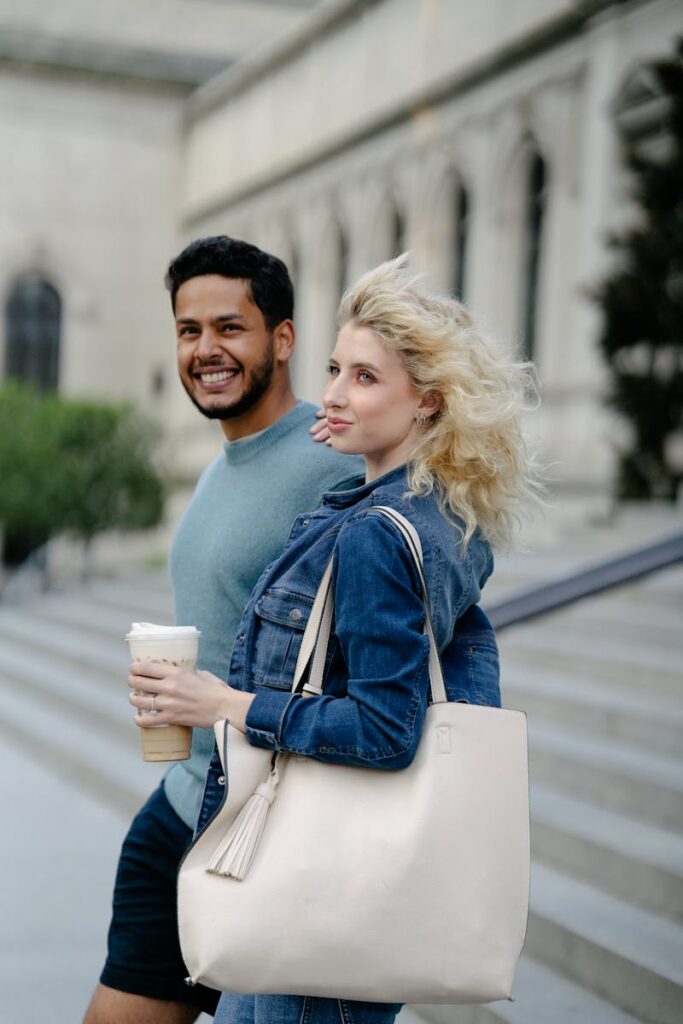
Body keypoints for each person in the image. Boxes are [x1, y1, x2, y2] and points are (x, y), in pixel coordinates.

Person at [128, 255, 539, 1024]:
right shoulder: (435, 512)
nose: (336, 395)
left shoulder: (378, 537)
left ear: (426, 400)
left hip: (320, 876)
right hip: (343, 874)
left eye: (365, 379)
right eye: (335, 371)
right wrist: (356, 450)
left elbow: (384, 729)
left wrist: (228, 703)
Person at [84, 236, 363, 1024]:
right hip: (182, 803)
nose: (206, 349)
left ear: (282, 338)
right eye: (187, 330)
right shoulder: (222, 460)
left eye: (229, 328)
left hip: (264, 831)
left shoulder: (332, 460)